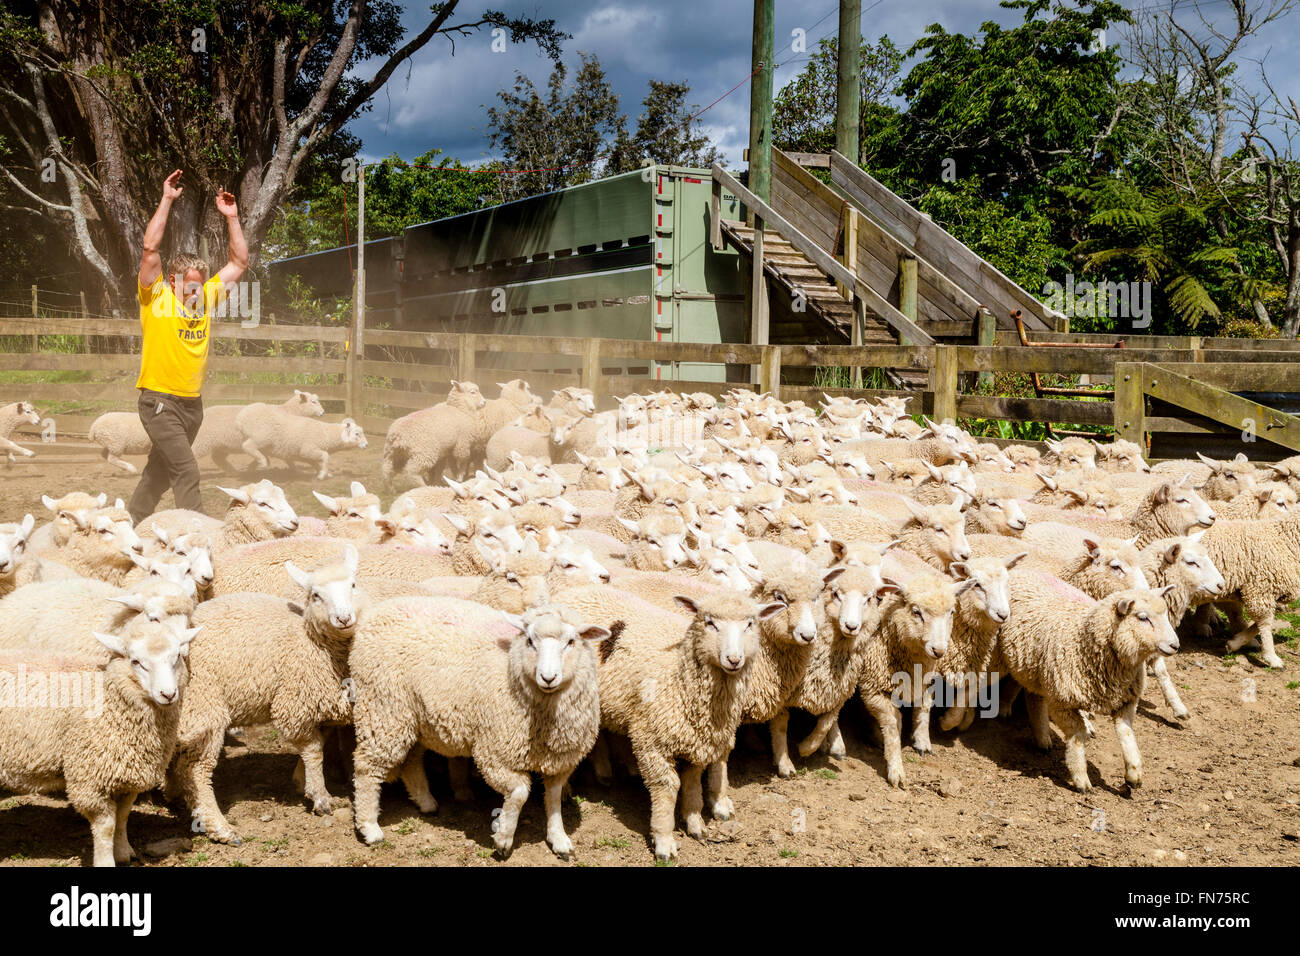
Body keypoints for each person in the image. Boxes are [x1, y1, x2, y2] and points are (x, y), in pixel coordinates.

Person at [127, 169, 248, 525]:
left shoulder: (206, 298)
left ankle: (131, 524)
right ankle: (202, 535)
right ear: (174, 283)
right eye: (190, 286)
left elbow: (239, 262)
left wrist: (233, 218)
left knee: (159, 473)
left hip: (192, 407)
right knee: (186, 470)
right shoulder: (156, 296)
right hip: (158, 401)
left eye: (199, 285)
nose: (196, 292)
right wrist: (166, 199)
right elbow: (150, 248)